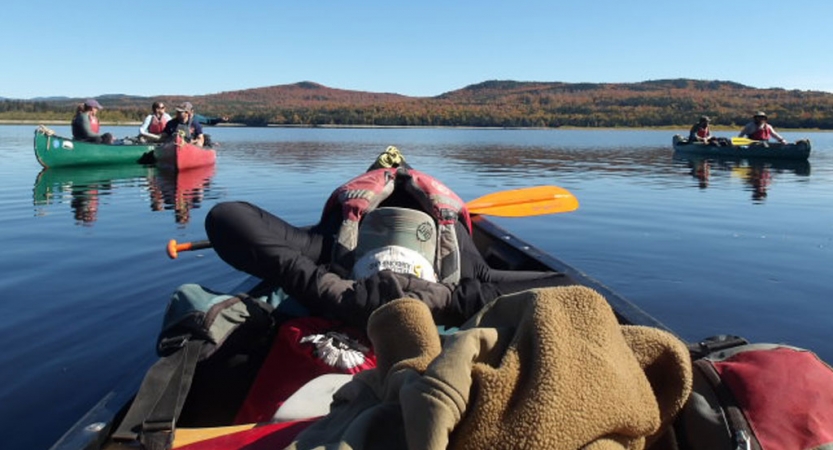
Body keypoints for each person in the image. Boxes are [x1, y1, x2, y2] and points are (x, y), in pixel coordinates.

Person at [204, 147, 575, 329]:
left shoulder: (331, 234)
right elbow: (568, 287)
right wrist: (449, 300)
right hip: (446, 291)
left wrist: (327, 288)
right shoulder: (461, 247)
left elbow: (227, 217)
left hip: (349, 290)